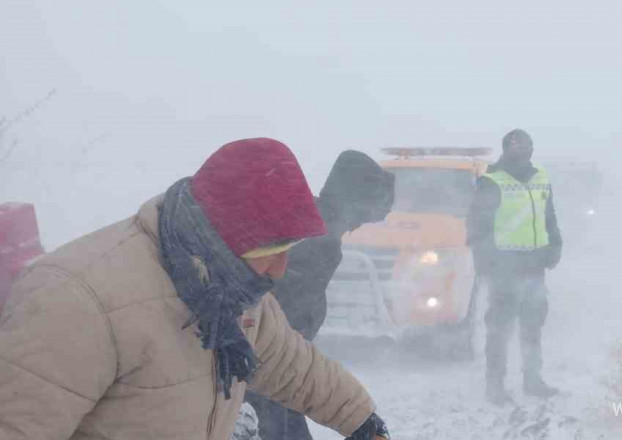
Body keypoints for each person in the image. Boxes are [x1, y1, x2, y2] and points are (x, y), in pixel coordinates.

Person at [0, 138, 389, 440]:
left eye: (287, 250)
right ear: (218, 237)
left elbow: (292, 365)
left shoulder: (233, 292)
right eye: (269, 251)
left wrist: (362, 421)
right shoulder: (78, 301)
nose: (280, 269)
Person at [245, 150, 395, 439]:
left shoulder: (313, 223)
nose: (361, 225)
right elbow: (279, 322)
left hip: (276, 369)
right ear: (355, 202)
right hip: (271, 371)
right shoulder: (319, 242)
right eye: (364, 214)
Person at [466, 129, 563, 405]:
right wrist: (486, 264)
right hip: (503, 268)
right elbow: (476, 227)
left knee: (533, 324)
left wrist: (556, 245)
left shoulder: (540, 177)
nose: (521, 152)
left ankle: (533, 380)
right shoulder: (491, 181)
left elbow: (549, 217)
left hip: (535, 265)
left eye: (526, 147)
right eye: (515, 147)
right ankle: (494, 386)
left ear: (532, 149)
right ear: (506, 150)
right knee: (500, 327)